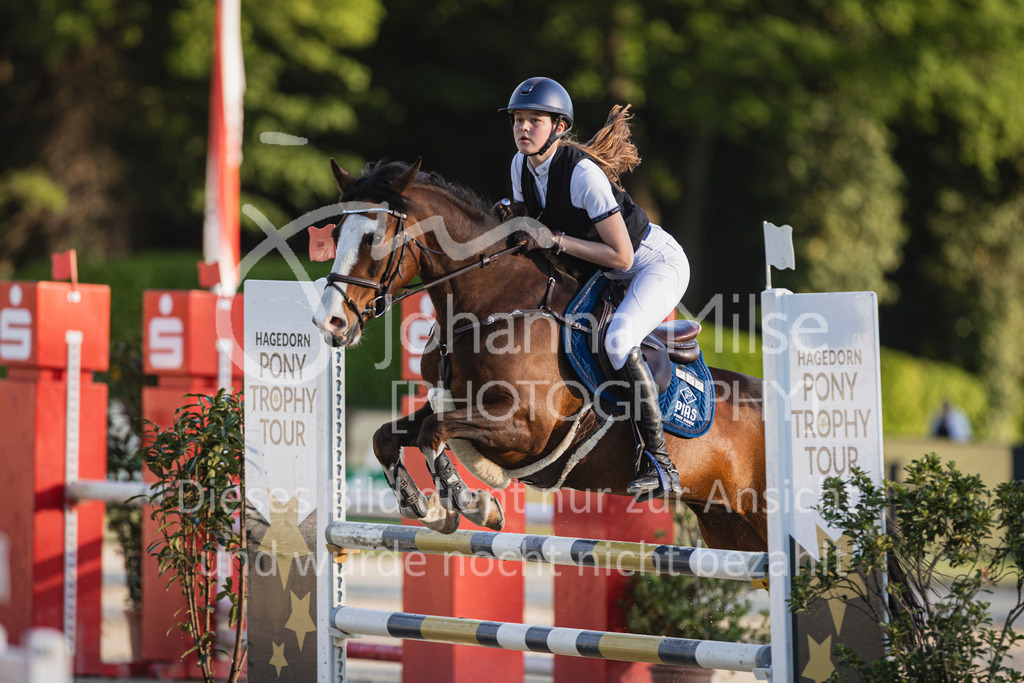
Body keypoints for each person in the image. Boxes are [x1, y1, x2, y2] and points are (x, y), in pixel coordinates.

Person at [497, 76, 690, 502]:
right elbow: (533, 227)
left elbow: (621, 256)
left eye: (534, 121)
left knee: (619, 338)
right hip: (601, 268)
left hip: (650, 264)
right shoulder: (519, 166)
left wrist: (556, 240)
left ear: (559, 128)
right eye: (517, 120)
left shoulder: (583, 174)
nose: (523, 129)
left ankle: (659, 461)